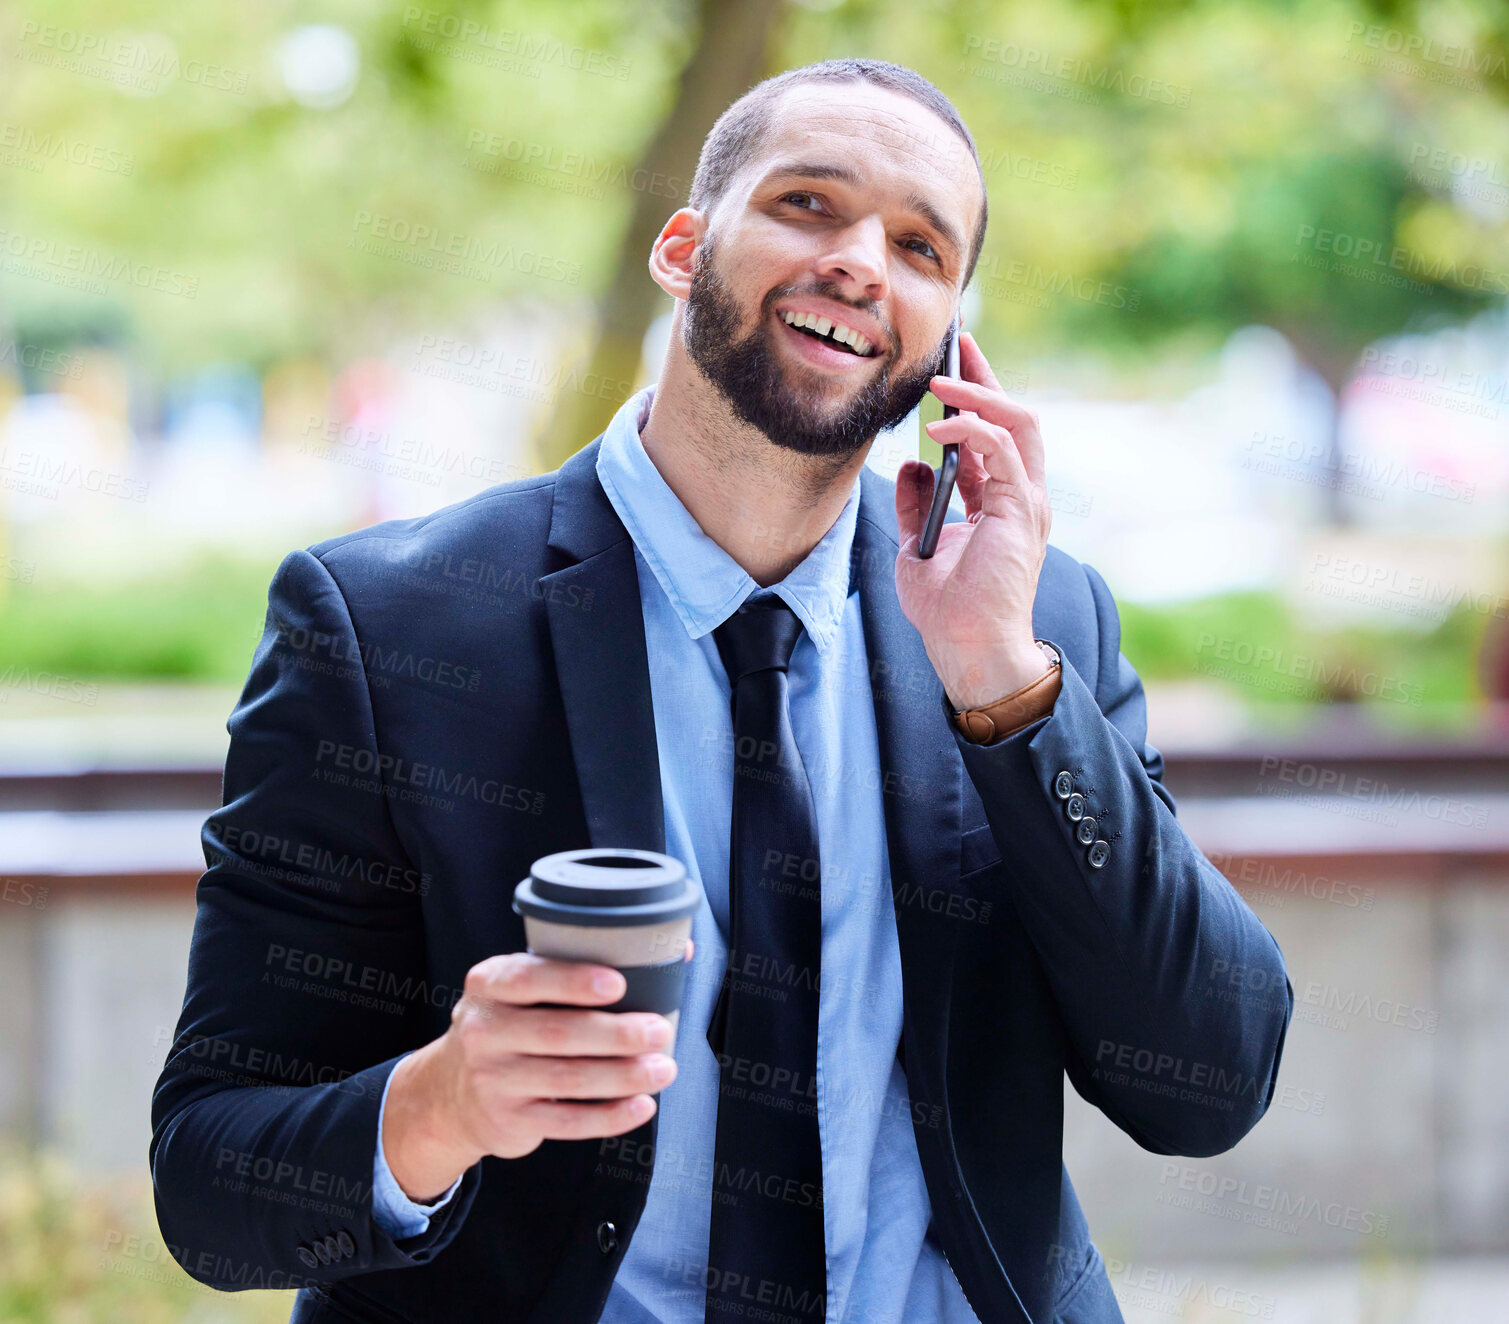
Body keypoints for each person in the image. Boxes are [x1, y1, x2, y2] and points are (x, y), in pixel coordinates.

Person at [150, 58, 1293, 1324]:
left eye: (921, 246)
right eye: (808, 203)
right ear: (683, 247)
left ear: (954, 341)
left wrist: (1010, 688)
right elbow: (211, 1174)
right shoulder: (383, 628)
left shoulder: (1033, 624)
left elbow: (1208, 1081)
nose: (862, 260)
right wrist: (439, 1105)